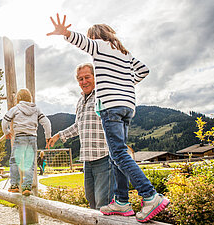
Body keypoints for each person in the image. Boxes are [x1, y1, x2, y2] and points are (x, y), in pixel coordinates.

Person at [47, 14, 169, 222]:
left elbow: (82, 42)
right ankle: (122, 201)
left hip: (111, 106)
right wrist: (123, 85)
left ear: (96, 36)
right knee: (117, 155)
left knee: (119, 154)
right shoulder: (124, 52)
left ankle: (150, 195)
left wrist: (65, 33)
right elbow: (143, 70)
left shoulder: (100, 46)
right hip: (128, 107)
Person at [48, 63, 114, 210]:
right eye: (80, 79)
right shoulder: (80, 100)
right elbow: (78, 125)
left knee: (103, 205)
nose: (84, 82)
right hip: (87, 160)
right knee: (91, 202)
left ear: (95, 77)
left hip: (104, 157)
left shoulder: (103, 95)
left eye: (87, 77)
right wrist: (59, 135)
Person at [2, 88, 51, 196]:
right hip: (32, 138)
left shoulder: (16, 108)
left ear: (18, 99)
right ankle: (27, 187)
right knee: (30, 163)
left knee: (15, 161)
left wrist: (7, 132)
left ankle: (14, 185)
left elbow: (5, 120)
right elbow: (46, 122)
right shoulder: (36, 109)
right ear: (30, 98)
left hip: (19, 137)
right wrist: (48, 136)